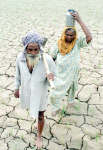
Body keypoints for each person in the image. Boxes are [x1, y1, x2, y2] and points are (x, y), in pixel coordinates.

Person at [14, 30, 56, 149]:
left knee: (41, 114)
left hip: (41, 93)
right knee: (32, 108)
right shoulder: (20, 59)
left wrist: (51, 78)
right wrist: (16, 88)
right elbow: (17, 74)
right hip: (27, 91)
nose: (33, 52)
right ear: (25, 49)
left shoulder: (46, 60)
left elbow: (54, 77)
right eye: (30, 49)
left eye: (36, 49)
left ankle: (39, 136)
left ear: (40, 49)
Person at [49, 11, 92, 115]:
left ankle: (70, 102)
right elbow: (51, 58)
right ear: (64, 34)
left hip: (72, 73)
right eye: (67, 34)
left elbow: (89, 37)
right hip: (60, 74)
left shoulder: (77, 42)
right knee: (54, 93)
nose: (69, 37)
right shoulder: (58, 43)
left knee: (72, 89)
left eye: (72, 35)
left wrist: (79, 20)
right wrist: (50, 72)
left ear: (75, 35)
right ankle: (55, 108)